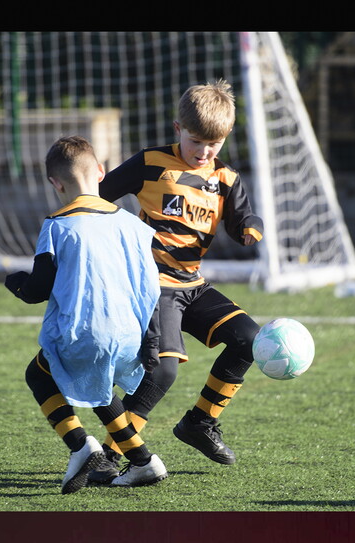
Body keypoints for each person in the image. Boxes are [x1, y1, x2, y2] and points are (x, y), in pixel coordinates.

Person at [89, 80, 263, 481]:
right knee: (163, 372)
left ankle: (199, 423)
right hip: (153, 285)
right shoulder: (151, 163)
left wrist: (252, 227)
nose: (204, 152)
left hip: (193, 285)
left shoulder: (226, 179)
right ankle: (112, 457)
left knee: (249, 339)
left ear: (225, 137)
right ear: (177, 129)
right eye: (196, 141)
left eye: (213, 143)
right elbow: (98, 196)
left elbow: (242, 222)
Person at [5, 135, 167, 493]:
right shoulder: (132, 225)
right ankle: (143, 461)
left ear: (55, 183)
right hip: (131, 335)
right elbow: (150, 286)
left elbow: (37, 291)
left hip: (85, 335)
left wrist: (13, 281)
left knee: (38, 375)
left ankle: (80, 446)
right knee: (99, 384)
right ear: (100, 172)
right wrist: (152, 338)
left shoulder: (57, 225)